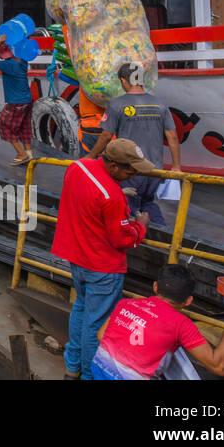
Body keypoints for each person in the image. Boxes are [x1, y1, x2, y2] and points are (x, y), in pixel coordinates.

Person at [52, 138, 153, 379]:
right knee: (96, 324)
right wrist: (141, 227)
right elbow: (122, 240)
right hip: (102, 267)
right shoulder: (112, 196)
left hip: (76, 256)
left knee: (81, 309)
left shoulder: (78, 167)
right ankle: (89, 374)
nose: (134, 175)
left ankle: (72, 366)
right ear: (114, 166)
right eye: (130, 169)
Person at [93, 264, 224, 379]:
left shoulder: (127, 303)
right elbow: (219, 367)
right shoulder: (181, 324)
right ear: (188, 301)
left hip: (98, 370)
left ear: (155, 286)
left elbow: (101, 335)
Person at [90, 61, 182, 172]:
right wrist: (176, 166)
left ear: (123, 80)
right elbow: (172, 137)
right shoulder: (160, 104)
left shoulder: (117, 104)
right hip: (155, 170)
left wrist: (91, 156)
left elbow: (106, 136)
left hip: (128, 170)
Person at [0, 33, 33, 165]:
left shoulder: (9, 65)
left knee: (4, 126)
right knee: (24, 126)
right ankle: (29, 153)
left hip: (16, 102)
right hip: (27, 100)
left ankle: (21, 154)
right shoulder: (22, 61)